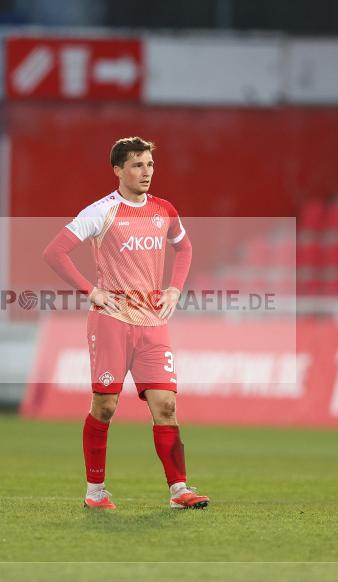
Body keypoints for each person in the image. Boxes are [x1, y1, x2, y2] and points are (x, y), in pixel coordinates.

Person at [42, 136, 208, 510]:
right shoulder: (101, 212)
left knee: (165, 405)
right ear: (118, 170)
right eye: (137, 165)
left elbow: (184, 248)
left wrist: (175, 289)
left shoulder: (164, 210)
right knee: (105, 406)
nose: (145, 172)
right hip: (111, 321)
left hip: (153, 323)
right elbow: (55, 252)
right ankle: (95, 492)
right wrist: (90, 290)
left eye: (149, 164)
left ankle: (179, 490)